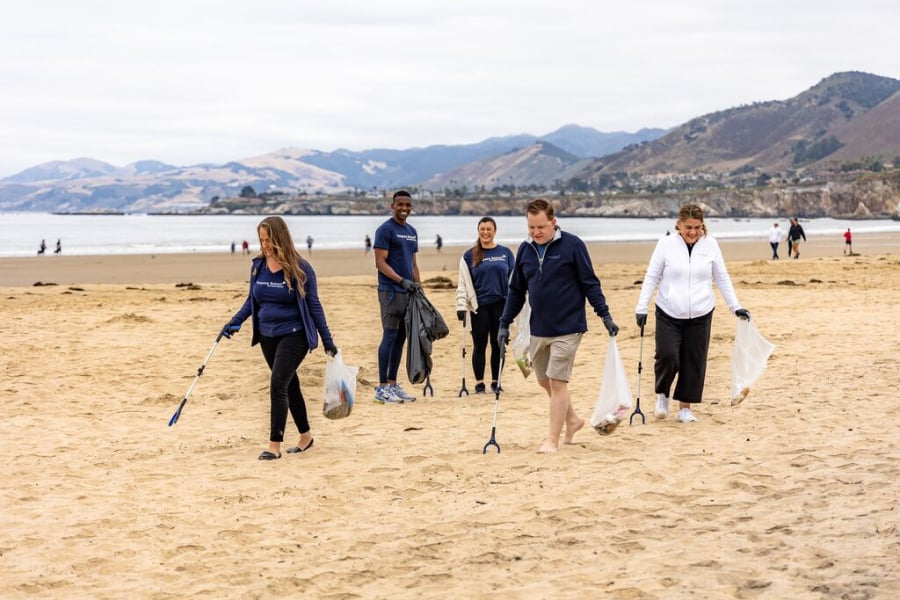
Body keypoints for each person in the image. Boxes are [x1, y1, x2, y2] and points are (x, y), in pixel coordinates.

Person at [498, 199, 619, 453]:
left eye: (541, 227)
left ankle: (552, 440)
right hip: (538, 328)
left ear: (553, 222)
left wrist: (604, 315)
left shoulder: (573, 245)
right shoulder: (525, 250)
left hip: (569, 326)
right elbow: (516, 291)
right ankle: (573, 420)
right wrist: (504, 323)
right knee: (543, 381)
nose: (536, 232)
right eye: (531, 228)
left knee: (556, 382)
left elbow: (590, 284)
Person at [220, 216, 338, 460]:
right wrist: (235, 322)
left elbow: (314, 305)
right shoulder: (258, 266)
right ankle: (306, 436)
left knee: (277, 384)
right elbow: (252, 301)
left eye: (269, 240)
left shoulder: (301, 268)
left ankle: (274, 445)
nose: (265, 245)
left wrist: (327, 341)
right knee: (289, 384)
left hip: (294, 335)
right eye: (262, 240)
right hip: (266, 335)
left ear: (280, 238)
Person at [635, 204, 751, 424]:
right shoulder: (665, 245)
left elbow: (722, 277)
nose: (693, 232)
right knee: (667, 356)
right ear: (679, 225)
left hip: (701, 311)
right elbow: (651, 277)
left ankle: (685, 409)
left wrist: (735, 306)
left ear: (703, 226)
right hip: (668, 311)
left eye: (697, 227)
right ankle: (663, 395)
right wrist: (641, 307)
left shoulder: (711, 245)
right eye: (688, 227)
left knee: (693, 361)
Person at [456, 217, 515, 394]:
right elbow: (463, 284)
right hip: (479, 307)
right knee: (479, 345)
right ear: (478, 230)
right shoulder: (469, 255)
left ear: (494, 231)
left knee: (498, 345)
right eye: (482, 229)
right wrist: (461, 306)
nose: (485, 232)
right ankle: (479, 383)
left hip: (501, 306)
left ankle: (496, 382)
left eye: (489, 229)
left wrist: (516, 304)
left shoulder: (506, 253)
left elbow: (515, 281)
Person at [373, 190, 420, 404]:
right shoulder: (385, 230)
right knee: (389, 336)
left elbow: (413, 263)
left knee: (401, 339)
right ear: (392, 206)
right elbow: (380, 263)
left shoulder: (412, 232)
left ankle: (393, 384)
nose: (404, 208)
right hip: (390, 292)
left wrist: (419, 288)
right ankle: (381, 388)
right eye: (400, 204)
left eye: (407, 205)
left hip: (409, 293)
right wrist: (401, 280)